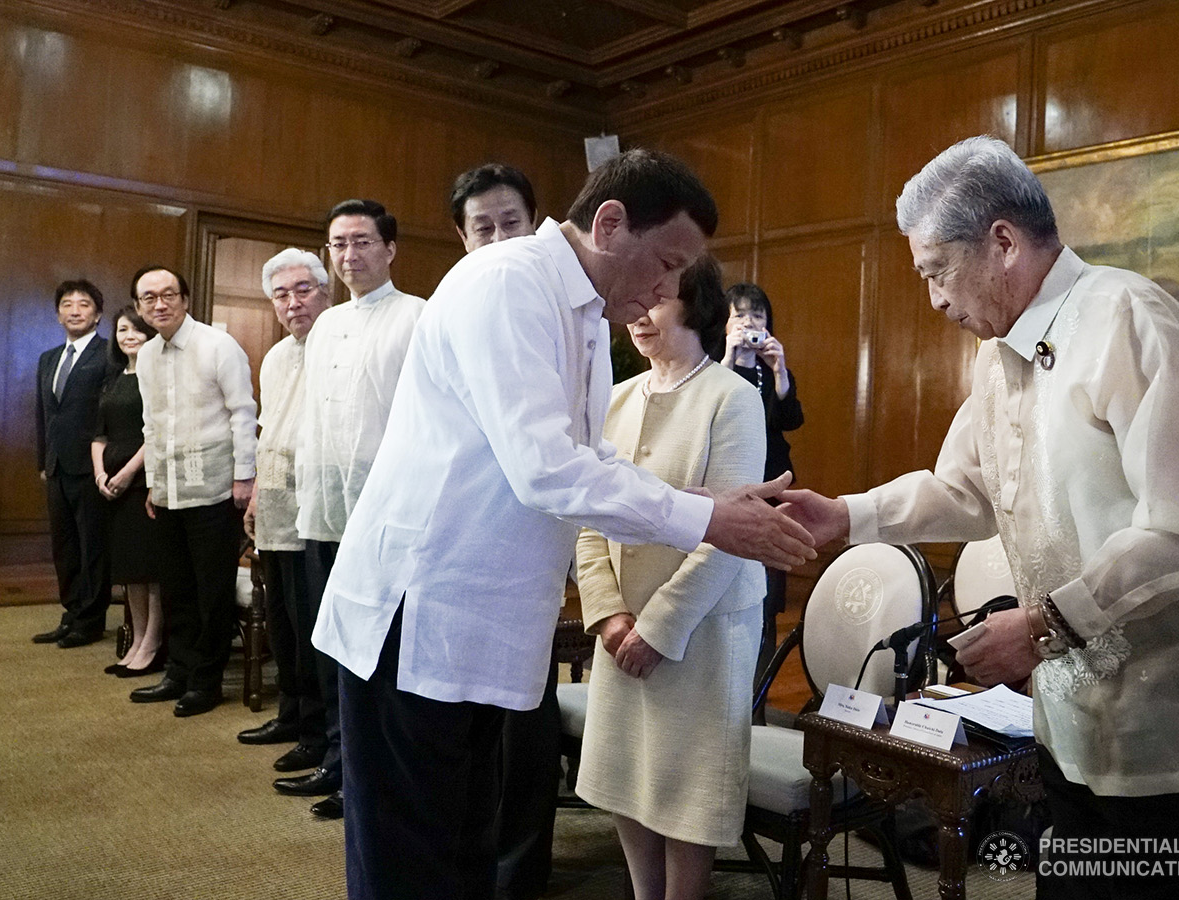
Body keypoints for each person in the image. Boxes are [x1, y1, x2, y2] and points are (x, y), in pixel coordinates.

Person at [778, 136, 1179, 900]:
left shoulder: (1129, 318)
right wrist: (845, 515)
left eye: (936, 270)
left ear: (1002, 242)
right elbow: (968, 490)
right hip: (1075, 713)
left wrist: (1039, 627)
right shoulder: (997, 354)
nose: (934, 300)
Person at [312, 148, 814, 900]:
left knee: (466, 851)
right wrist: (709, 517)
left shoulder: (580, 315)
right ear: (609, 224)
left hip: (482, 617)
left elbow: (593, 460)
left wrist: (708, 509)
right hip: (420, 612)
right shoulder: (507, 282)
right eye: (667, 263)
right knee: (412, 862)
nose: (669, 290)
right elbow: (546, 469)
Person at [575, 255, 764, 900]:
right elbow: (588, 518)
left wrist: (657, 628)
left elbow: (735, 535)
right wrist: (608, 613)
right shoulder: (616, 398)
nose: (641, 312)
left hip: (702, 627)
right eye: (637, 296)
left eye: (658, 297)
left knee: (688, 788)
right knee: (625, 774)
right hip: (620, 627)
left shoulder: (732, 397)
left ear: (696, 304)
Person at [283, 200, 426, 818]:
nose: (349, 255)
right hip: (324, 508)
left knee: (375, 652)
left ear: (390, 249)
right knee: (330, 643)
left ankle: (369, 779)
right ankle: (337, 760)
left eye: (362, 241)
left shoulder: (416, 316)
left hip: (385, 512)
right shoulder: (325, 327)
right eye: (338, 244)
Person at [449, 163, 557, 900]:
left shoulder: (550, 310)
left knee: (524, 734)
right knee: (466, 747)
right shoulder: (460, 304)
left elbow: (558, 460)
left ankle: (520, 873)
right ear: (462, 238)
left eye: (509, 222)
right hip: (464, 564)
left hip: (525, 562)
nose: (496, 239)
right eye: (481, 227)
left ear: (535, 223)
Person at [128, 265, 257, 718]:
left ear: (185, 299)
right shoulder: (147, 354)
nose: (159, 304)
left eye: (168, 294)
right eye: (149, 298)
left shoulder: (218, 345)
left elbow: (243, 413)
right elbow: (151, 424)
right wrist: (153, 481)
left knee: (211, 590)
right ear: (139, 307)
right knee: (176, 588)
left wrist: (245, 477)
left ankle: (206, 681)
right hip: (168, 490)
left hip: (216, 489)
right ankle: (178, 672)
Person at [237, 250, 334, 783]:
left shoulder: (338, 345)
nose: (293, 302)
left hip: (318, 507)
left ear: (325, 290)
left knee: (310, 623)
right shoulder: (275, 356)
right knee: (283, 621)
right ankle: (292, 714)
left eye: (303, 289)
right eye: (281, 294)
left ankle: (317, 734)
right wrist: (255, 494)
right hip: (274, 503)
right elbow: (269, 431)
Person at [720, 282, 804, 689]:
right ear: (724, 324)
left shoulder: (771, 371)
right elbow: (709, 409)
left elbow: (792, 420)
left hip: (772, 484)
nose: (750, 323)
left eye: (758, 316)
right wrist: (728, 358)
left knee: (768, 592)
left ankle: (759, 688)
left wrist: (780, 370)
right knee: (728, 582)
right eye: (740, 316)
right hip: (729, 484)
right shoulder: (714, 367)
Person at [33, 279, 114, 649]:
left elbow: (110, 414)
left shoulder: (108, 354)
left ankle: (91, 620)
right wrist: (43, 461)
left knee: (92, 545)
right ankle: (71, 611)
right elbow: (43, 414)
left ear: (97, 314)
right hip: (56, 466)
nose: (75, 310)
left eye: (84, 304)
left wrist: (105, 465)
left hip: (91, 466)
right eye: (67, 304)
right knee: (63, 546)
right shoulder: (48, 358)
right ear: (58, 315)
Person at [92, 305, 168, 676]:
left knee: (150, 568)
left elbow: (157, 433)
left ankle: (153, 644)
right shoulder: (112, 379)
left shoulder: (158, 376)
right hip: (112, 486)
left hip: (142, 481)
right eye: (122, 330)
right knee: (129, 570)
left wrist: (126, 473)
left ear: (150, 334)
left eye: (137, 329)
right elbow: (99, 435)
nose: (129, 336)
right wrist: (99, 475)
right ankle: (137, 641)